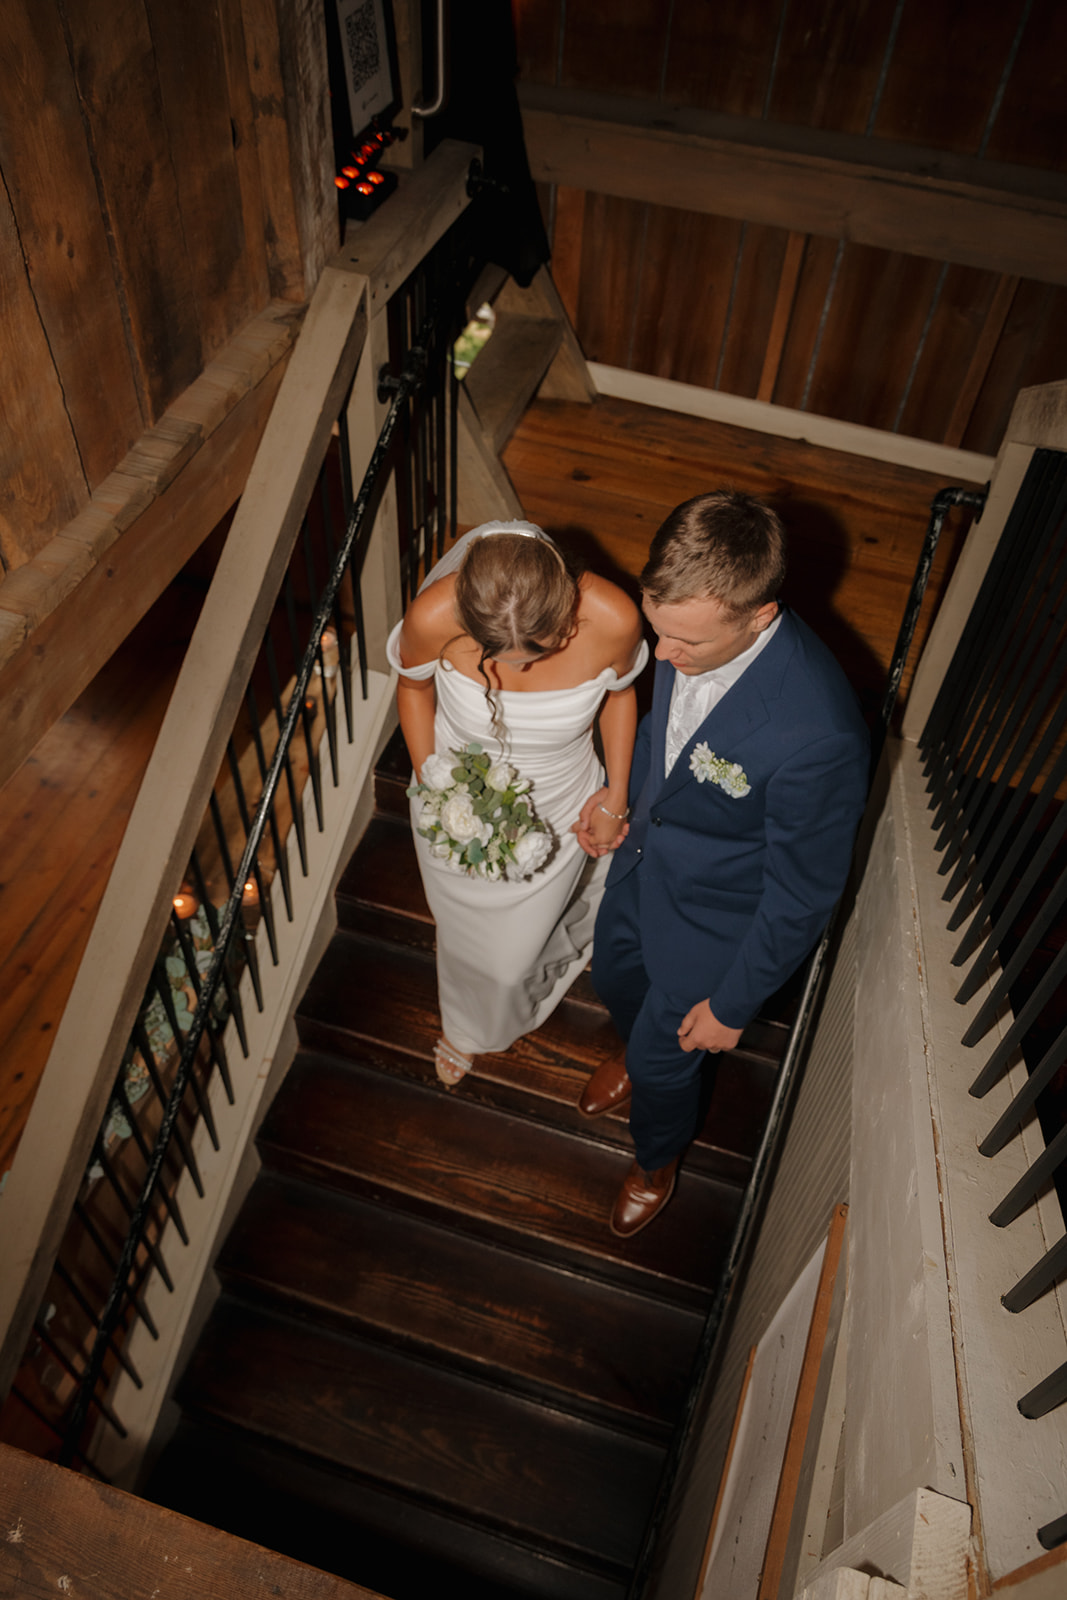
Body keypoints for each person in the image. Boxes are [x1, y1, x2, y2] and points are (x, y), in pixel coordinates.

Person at [576, 491, 869, 1236]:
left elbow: (802, 894)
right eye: (657, 629)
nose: (662, 656)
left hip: (714, 930)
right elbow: (660, 740)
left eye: (687, 646)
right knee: (612, 981)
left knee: (669, 1063)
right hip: (639, 872)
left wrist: (734, 1005)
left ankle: (655, 1158)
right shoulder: (684, 629)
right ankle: (636, 1059)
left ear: (758, 615)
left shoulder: (818, 734)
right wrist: (620, 797)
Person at [387, 520, 646, 1085]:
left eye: (541, 648)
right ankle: (464, 1023)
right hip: (454, 797)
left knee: (511, 958)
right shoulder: (432, 615)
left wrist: (617, 795)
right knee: (458, 933)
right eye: (496, 654)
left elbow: (620, 698)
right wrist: (435, 784)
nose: (521, 668)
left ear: (567, 607)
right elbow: (412, 688)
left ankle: (497, 1006)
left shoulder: (614, 616)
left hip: (558, 801)